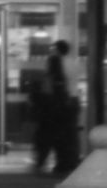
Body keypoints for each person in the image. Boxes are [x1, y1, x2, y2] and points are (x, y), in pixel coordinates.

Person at [31, 40, 77, 176]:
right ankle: (66, 162)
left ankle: (42, 161)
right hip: (69, 102)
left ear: (57, 50)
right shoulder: (74, 63)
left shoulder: (55, 62)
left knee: (46, 135)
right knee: (66, 136)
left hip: (54, 105)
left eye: (53, 49)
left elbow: (48, 84)